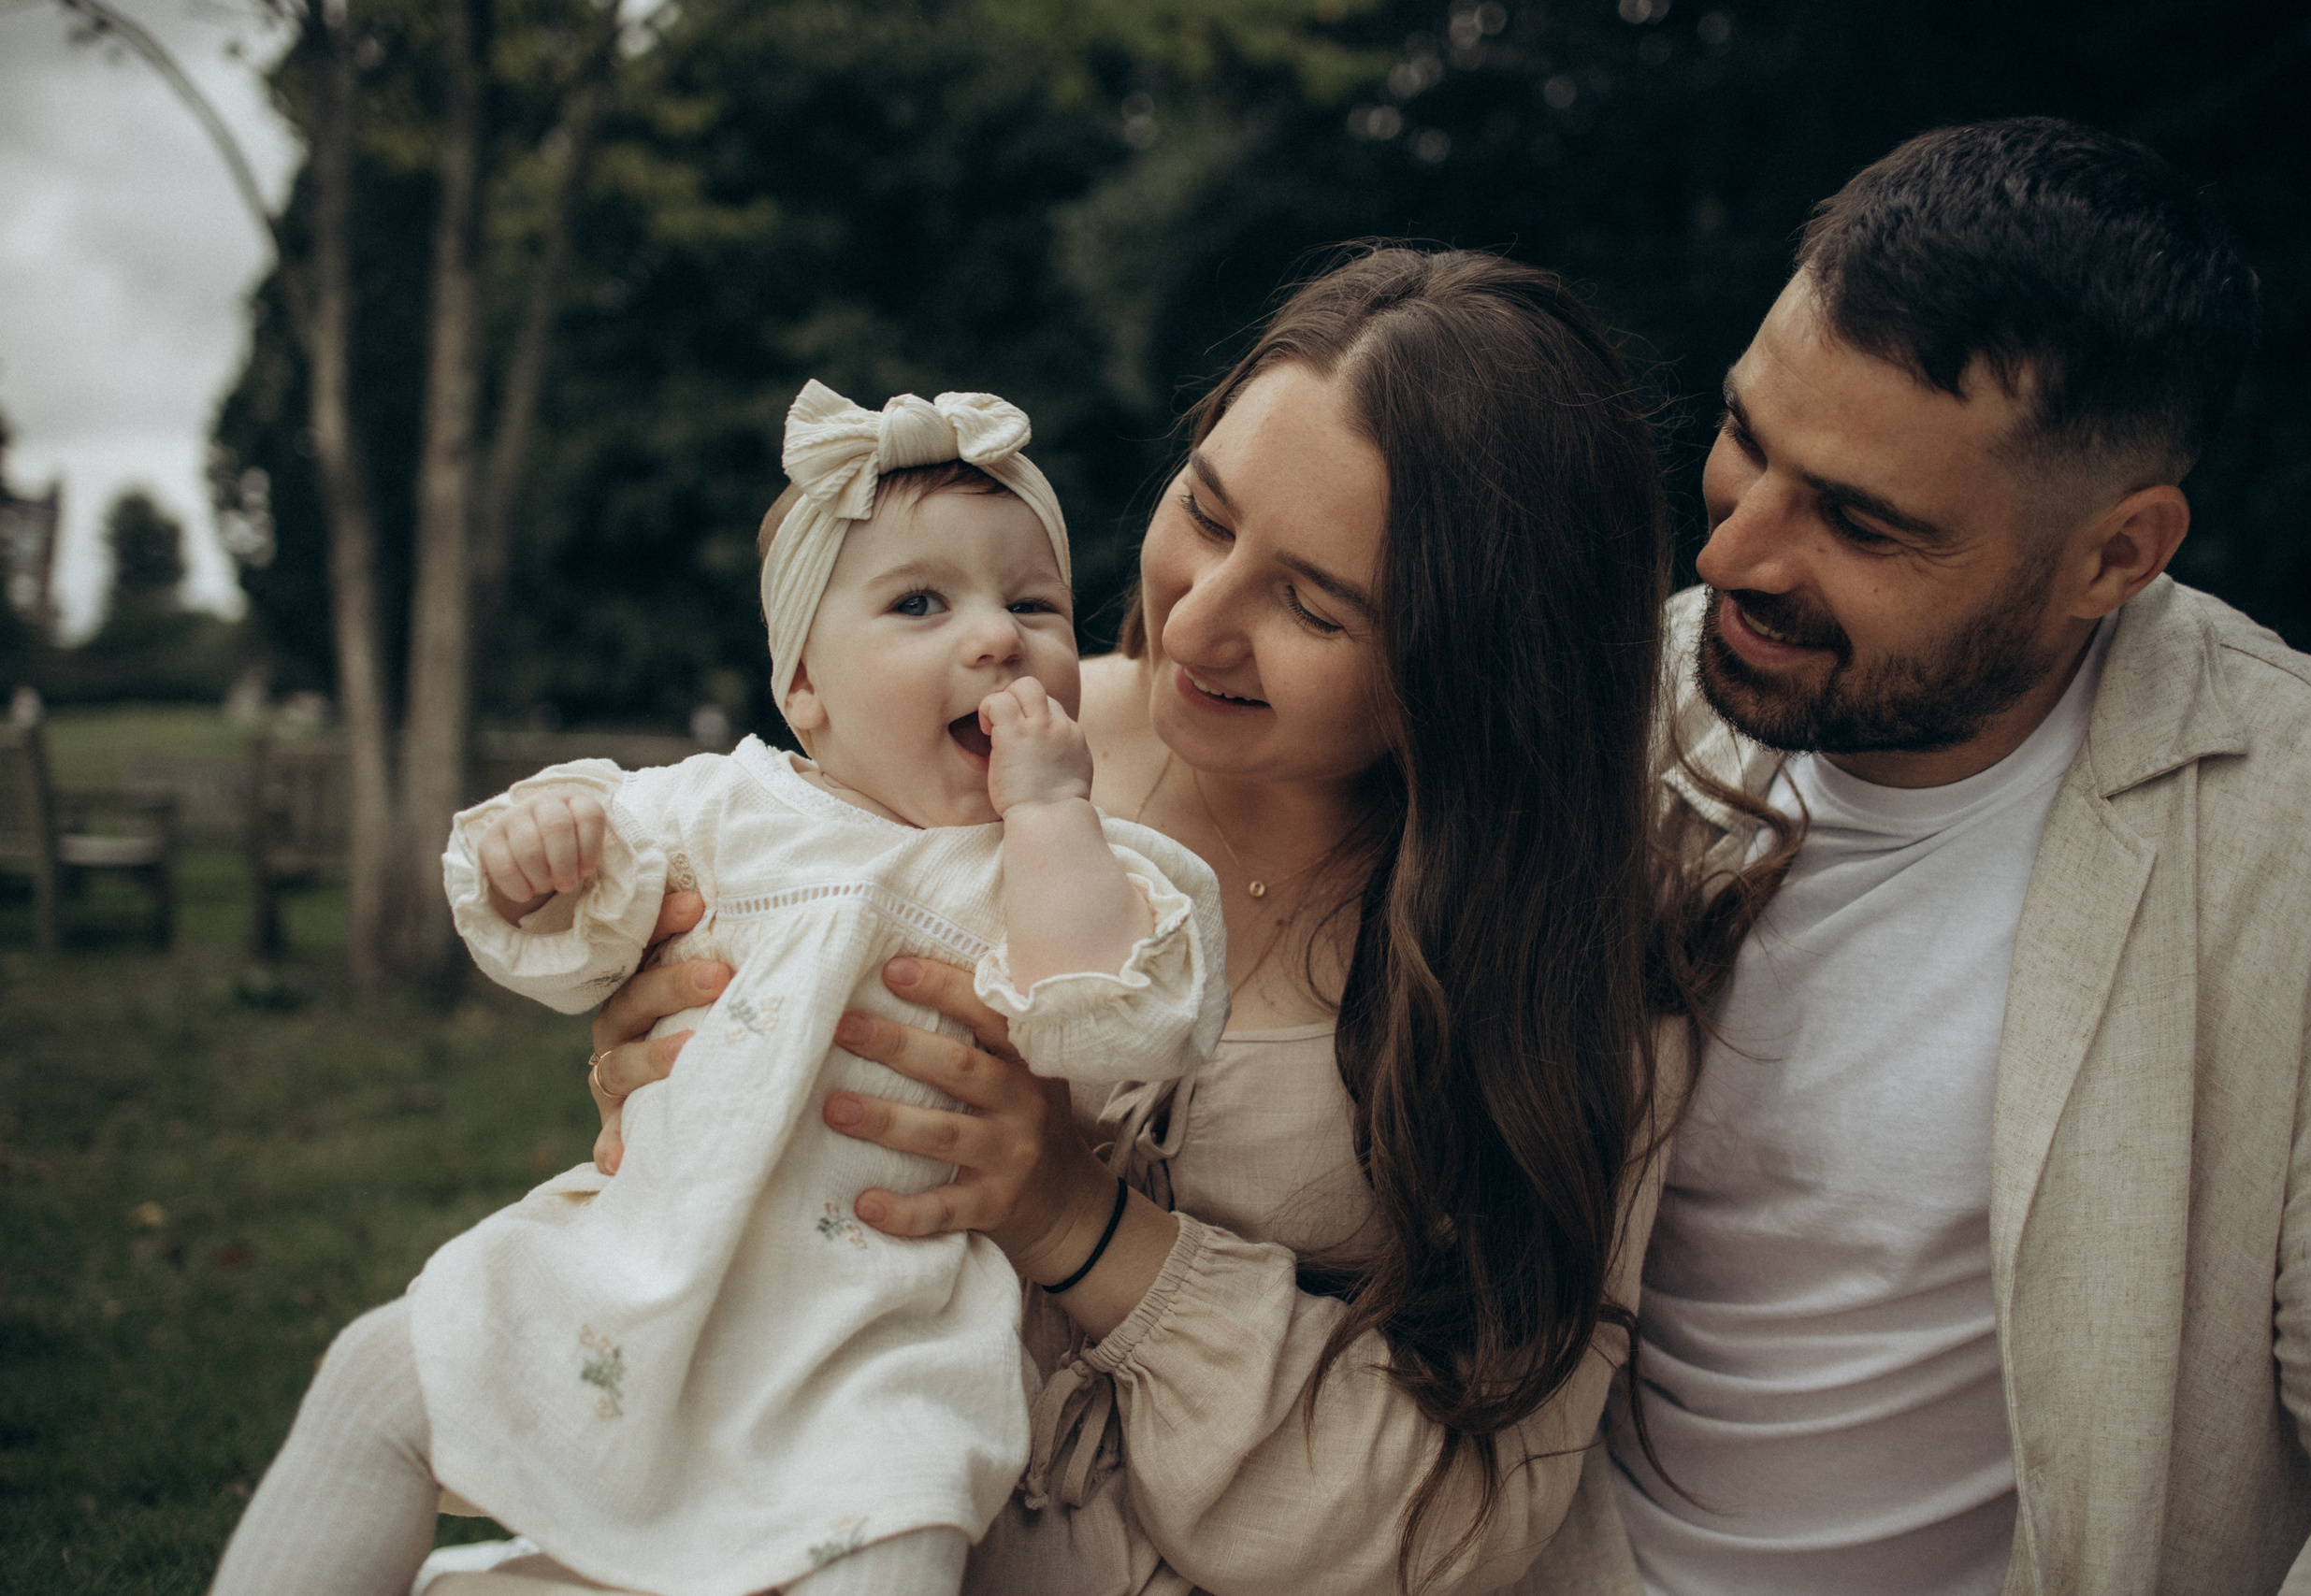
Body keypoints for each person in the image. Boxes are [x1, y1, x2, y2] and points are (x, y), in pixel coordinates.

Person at [506, 246, 1733, 1596]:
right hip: (824, 1510)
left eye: (1312, 605)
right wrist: (679, 1069)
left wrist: (1077, 1222)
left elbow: (1453, 1510)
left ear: (1476, 668)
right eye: (1205, 511)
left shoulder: (1564, 953)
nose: (1194, 623)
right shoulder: (951, 763)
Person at [210, 382, 1230, 1596]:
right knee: (382, 1372)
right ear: (804, 688)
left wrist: (1055, 811)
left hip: (878, 1340)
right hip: (637, 1264)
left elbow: (1107, 1012)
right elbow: (576, 920)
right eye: (920, 602)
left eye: (1032, 604)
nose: (996, 638)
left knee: (897, 1542)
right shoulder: (723, 808)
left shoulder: (1048, 865)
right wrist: (537, 851)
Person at [1575, 118, 2311, 1595]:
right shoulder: (1606, 717)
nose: (1732, 557)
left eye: (1860, 522)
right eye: (1747, 439)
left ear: (2116, 556)